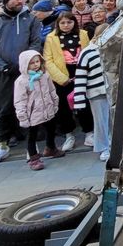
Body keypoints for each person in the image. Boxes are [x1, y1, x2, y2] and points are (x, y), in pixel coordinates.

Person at [0, 0, 43, 165]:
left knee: (29, 108)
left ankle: (31, 148)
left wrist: (27, 63)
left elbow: (35, 42)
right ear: (6, 1)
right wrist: (3, 66)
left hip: (25, 72)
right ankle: (2, 146)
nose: (19, 1)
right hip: (2, 74)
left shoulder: (30, 19)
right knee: (1, 109)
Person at [43, 12, 89, 152]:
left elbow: (88, 52)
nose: (66, 25)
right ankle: (69, 134)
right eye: (62, 23)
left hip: (80, 71)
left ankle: (89, 131)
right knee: (63, 106)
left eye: (69, 22)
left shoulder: (83, 34)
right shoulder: (51, 38)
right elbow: (48, 60)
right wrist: (62, 78)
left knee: (84, 102)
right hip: (62, 74)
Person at [13, 50, 61, 171]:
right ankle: (33, 158)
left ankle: (51, 148)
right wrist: (22, 116)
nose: (35, 65)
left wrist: (55, 103)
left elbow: (52, 91)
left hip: (47, 108)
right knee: (32, 136)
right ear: (25, 64)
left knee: (51, 129)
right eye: (31, 63)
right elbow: (20, 100)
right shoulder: (21, 81)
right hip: (32, 113)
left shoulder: (45, 75)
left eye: (37, 61)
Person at [75, 43, 111, 160]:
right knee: (101, 122)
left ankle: (113, 146)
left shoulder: (111, 48)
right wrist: (79, 99)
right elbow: (80, 75)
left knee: (112, 121)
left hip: (111, 91)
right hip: (96, 92)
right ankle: (104, 148)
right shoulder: (87, 52)